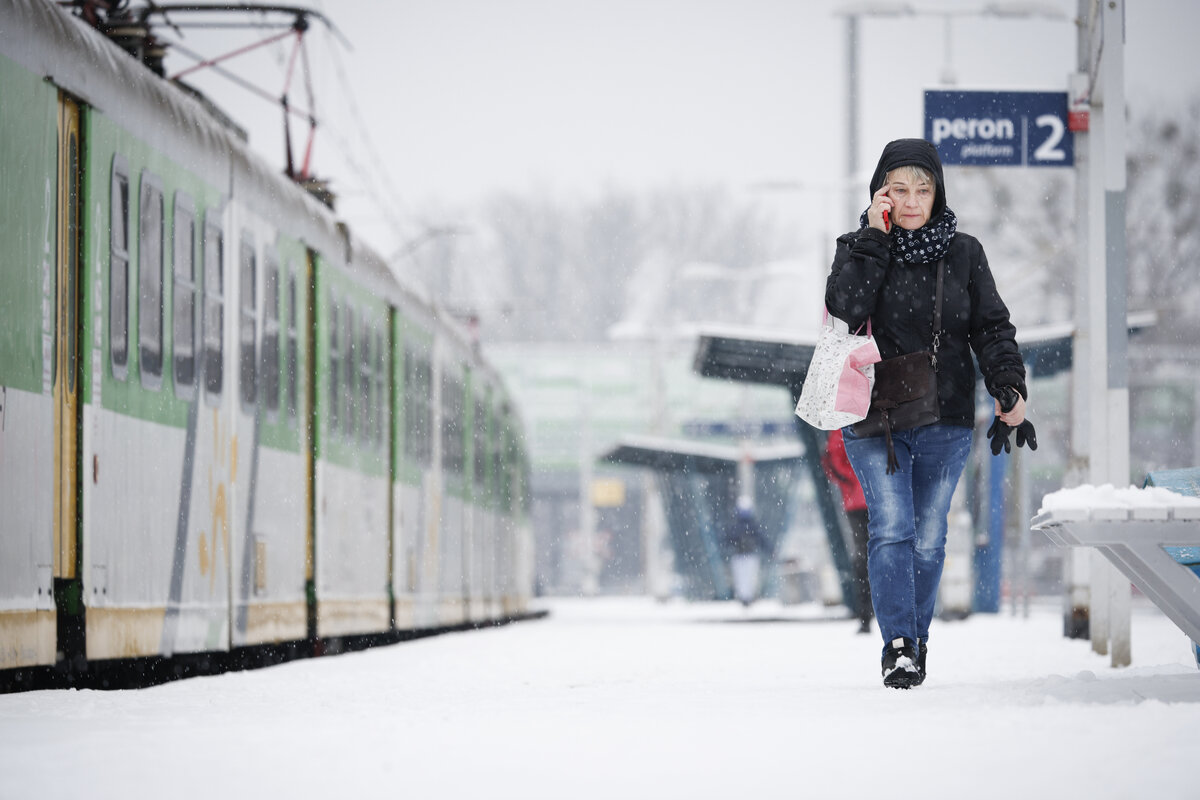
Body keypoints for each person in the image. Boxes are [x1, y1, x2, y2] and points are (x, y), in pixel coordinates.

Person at [825, 138, 1035, 689]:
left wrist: (1008, 384)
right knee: (892, 527)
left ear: (937, 191)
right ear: (880, 194)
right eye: (899, 189)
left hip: (945, 414)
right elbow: (845, 310)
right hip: (876, 416)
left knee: (929, 535)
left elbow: (992, 326)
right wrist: (874, 238)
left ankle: (914, 640)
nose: (913, 200)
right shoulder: (858, 248)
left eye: (923, 188)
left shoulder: (964, 252)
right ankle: (897, 644)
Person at [821, 429, 873, 635]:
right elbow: (834, 461)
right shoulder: (845, 426)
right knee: (874, 555)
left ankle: (866, 614)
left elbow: (833, 461)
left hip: (859, 500)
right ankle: (869, 613)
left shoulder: (841, 426)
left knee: (864, 557)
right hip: (867, 500)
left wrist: (852, 481)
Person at [724, 497, 768, 607]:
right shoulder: (751, 526)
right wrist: (769, 550)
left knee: (743, 578)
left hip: (743, 556)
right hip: (746, 555)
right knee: (747, 578)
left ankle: (745, 598)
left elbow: (728, 540)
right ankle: (746, 598)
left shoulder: (738, 526)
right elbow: (761, 540)